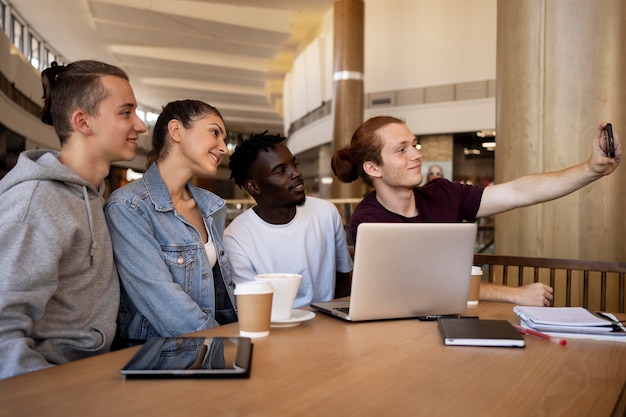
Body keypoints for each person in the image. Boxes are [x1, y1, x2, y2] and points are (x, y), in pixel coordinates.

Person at [332, 116, 621, 307]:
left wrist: (590, 170)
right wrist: (515, 294)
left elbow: (519, 191)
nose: (417, 154)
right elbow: (423, 287)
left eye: (414, 145)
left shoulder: (442, 193)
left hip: (457, 321)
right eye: (402, 149)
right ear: (373, 168)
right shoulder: (368, 221)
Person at [0, 60, 147, 379]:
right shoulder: (35, 204)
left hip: (98, 370)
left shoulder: (93, 194)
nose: (140, 125)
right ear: (82, 121)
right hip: (55, 385)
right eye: (126, 112)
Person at [105, 100, 237, 348]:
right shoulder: (129, 207)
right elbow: (160, 298)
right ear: (176, 131)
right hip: (154, 353)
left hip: (207, 348)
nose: (223, 148)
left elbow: (221, 295)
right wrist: (227, 342)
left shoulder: (212, 207)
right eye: (214, 133)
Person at [224, 132, 353, 308]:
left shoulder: (326, 213)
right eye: (280, 171)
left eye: (294, 164)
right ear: (253, 187)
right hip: (274, 329)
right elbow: (252, 305)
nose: (296, 173)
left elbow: (343, 276)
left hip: (328, 324)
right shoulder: (236, 237)